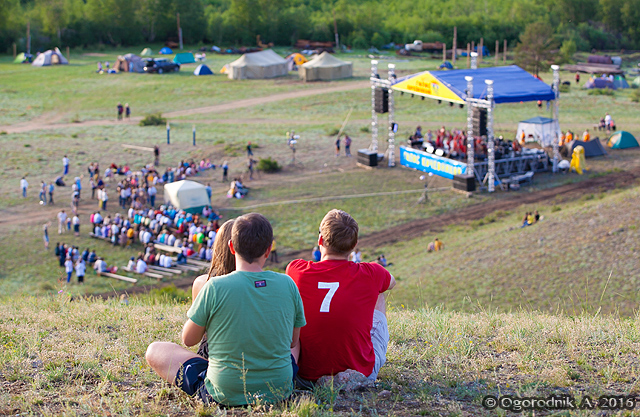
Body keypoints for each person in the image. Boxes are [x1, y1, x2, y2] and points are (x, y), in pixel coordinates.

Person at [145, 213, 306, 407]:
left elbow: (188, 340)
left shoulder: (213, 287)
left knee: (155, 350)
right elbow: (292, 341)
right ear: (268, 249)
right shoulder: (288, 284)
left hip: (224, 393)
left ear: (231, 247)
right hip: (279, 391)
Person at [286, 209, 395, 385]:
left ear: (320, 240)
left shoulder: (297, 269)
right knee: (379, 291)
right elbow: (392, 282)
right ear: (354, 245)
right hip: (359, 374)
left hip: (307, 376)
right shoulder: (371, 273)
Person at [190, 219, 236, 359]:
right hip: (253, 352)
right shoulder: (261, 284)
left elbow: (191, 338)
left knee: (156, 350)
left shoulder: (202, 283)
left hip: (213, 353)